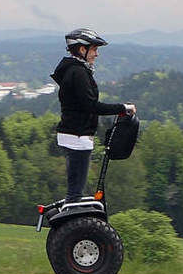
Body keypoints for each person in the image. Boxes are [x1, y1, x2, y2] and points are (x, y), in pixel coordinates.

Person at [52, 28, 134, 199]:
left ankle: (72, 223)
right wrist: (122, 108)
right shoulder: (78, 72)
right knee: (75, 193)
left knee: (75, 190)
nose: (97, 54)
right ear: (82, 49)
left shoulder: (74, 70)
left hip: (73, 135)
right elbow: (91, 105)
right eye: (94, 49)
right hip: (77, 137)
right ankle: (74, 225)